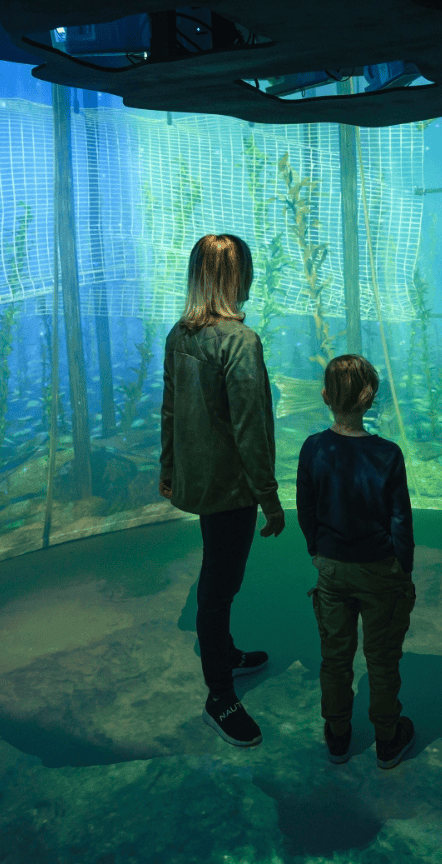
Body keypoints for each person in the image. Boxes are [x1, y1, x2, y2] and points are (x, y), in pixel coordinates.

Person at [159, 233, 416, 770]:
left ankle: (223, 652)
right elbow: (252, 428)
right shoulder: (238, 342)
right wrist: (269, 500)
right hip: (230, 488)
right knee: (221, 580)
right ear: (236, 277)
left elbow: (169, 409)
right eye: (246, 270)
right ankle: (219, 694)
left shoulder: (179, 334)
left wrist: (168, 469)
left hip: (200, 482)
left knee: (217, 573)